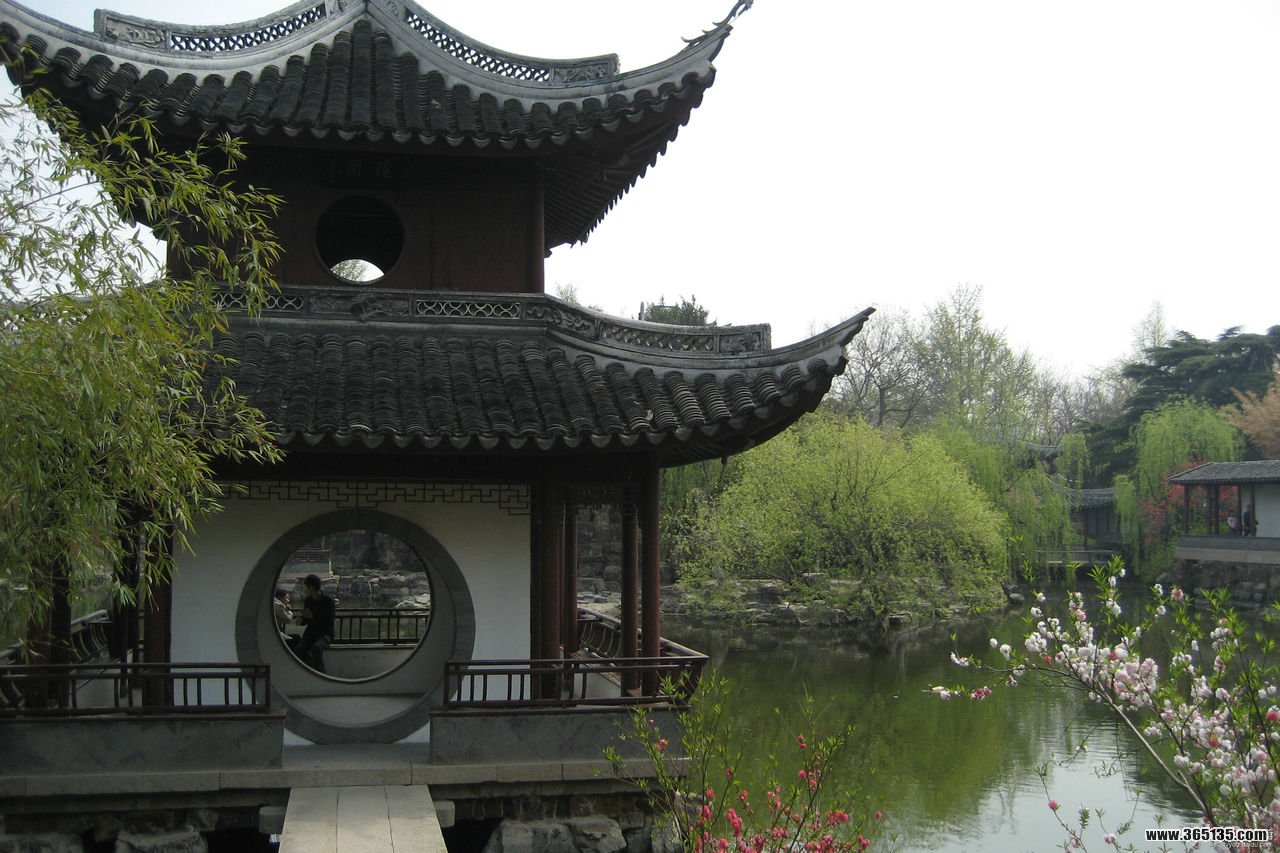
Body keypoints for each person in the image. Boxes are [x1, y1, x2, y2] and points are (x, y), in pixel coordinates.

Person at [294, 574, 335, 673]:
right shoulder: (308, 601)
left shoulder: (328, 601)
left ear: (311, 587)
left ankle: (321, 673)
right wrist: (301, 620)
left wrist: (313, 616)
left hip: (325, 633)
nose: (306, 590)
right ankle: (313, 670)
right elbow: (306, 619)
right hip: (311, 633)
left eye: (307, 587)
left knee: (316, 648)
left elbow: (329, 621)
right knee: (299, 650)